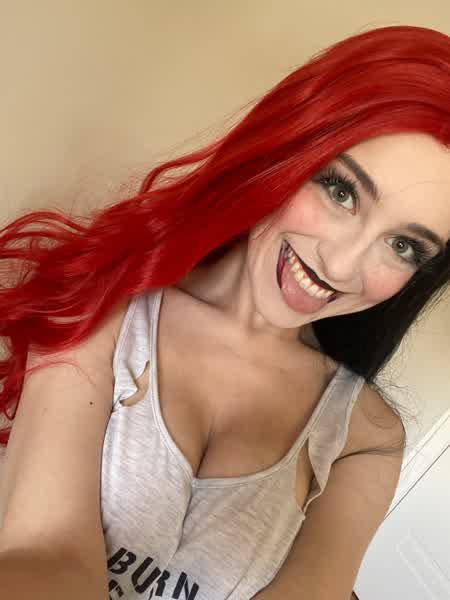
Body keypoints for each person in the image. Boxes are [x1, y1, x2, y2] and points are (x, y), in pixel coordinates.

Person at [0, 24, 449, 600]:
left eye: (403, 246)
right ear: (288, 147)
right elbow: (48, 552)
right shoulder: (107, 302)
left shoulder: (365, 437)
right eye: (341, 192)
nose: (340, 266)